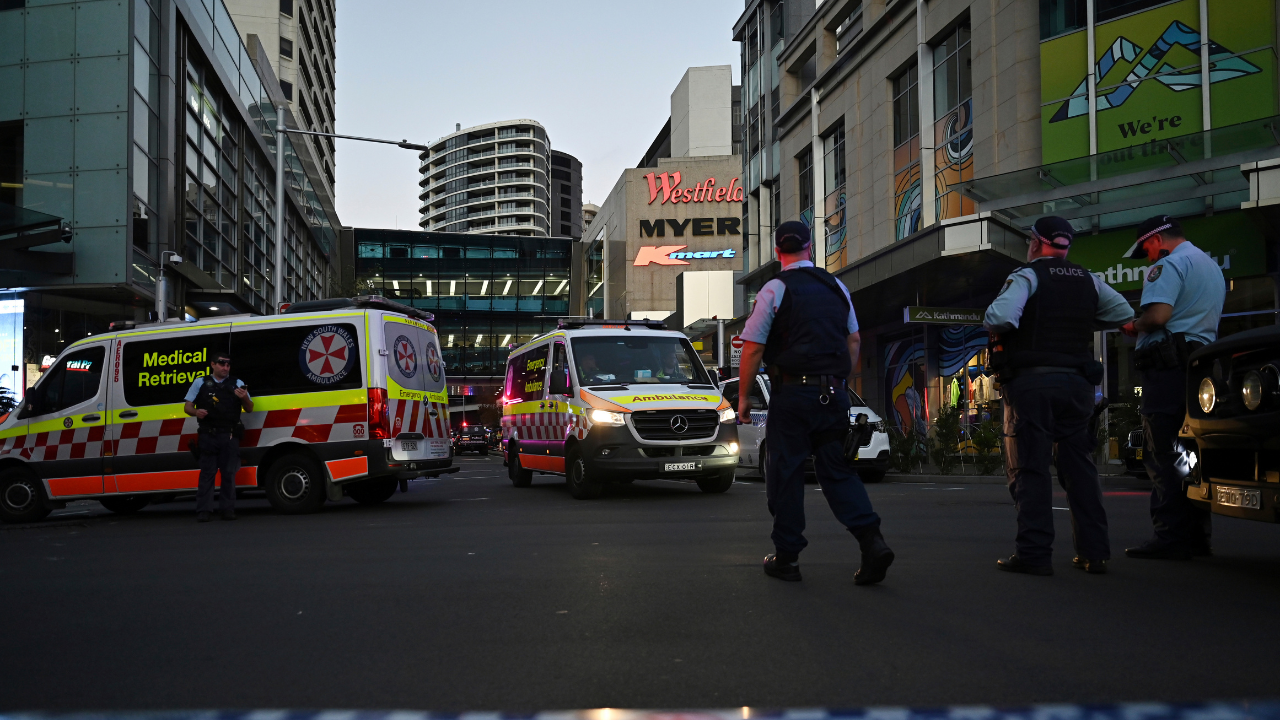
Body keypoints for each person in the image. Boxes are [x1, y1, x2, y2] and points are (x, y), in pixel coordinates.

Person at [737, 220, 893, 586]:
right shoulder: (836, 286)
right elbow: (853, 340)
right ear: (811, 247)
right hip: (833, 394)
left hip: (792, 395)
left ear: (777, 252)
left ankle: (787, 557)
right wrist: (839, 380)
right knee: (837, 471)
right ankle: (872, 541)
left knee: (786, 472)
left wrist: (744, 397)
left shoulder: (774, 289)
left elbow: (754, 347)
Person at [984, 216, 1134, 575]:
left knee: (1030, 467)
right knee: (1080, 469)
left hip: (1032, 386)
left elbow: (1000, 317)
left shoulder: (1028, 276)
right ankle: (1094, 552)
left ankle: (1034, 554)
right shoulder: (1089, 280)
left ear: (1035, 242)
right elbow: (1124, 314)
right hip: (1077, 387)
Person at [1119, 215, 1225, 560]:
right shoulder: (1209, 265)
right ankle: (1197, 536)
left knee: (1162, 451)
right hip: (1200, 369)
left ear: (1156, 240)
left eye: (1146, 250)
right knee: (1190, 454)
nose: (1148, 258)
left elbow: (1158, 316)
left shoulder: (1167, 266)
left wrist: (1135, 325)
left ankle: (1169, 536)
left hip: (1167, 371)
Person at [183, 351, 253, 522]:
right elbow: (187, 407)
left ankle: (227, 510)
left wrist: (244, 398)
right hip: (208, 435)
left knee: (229, 474)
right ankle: (204, 511)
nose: (225, 367)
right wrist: (196, 412)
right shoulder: (200, 382)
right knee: (207, 473)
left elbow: (250, 408)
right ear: (212, 365)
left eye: (228, 364)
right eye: (221, 364)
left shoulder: (237, 383)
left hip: (229, 435)